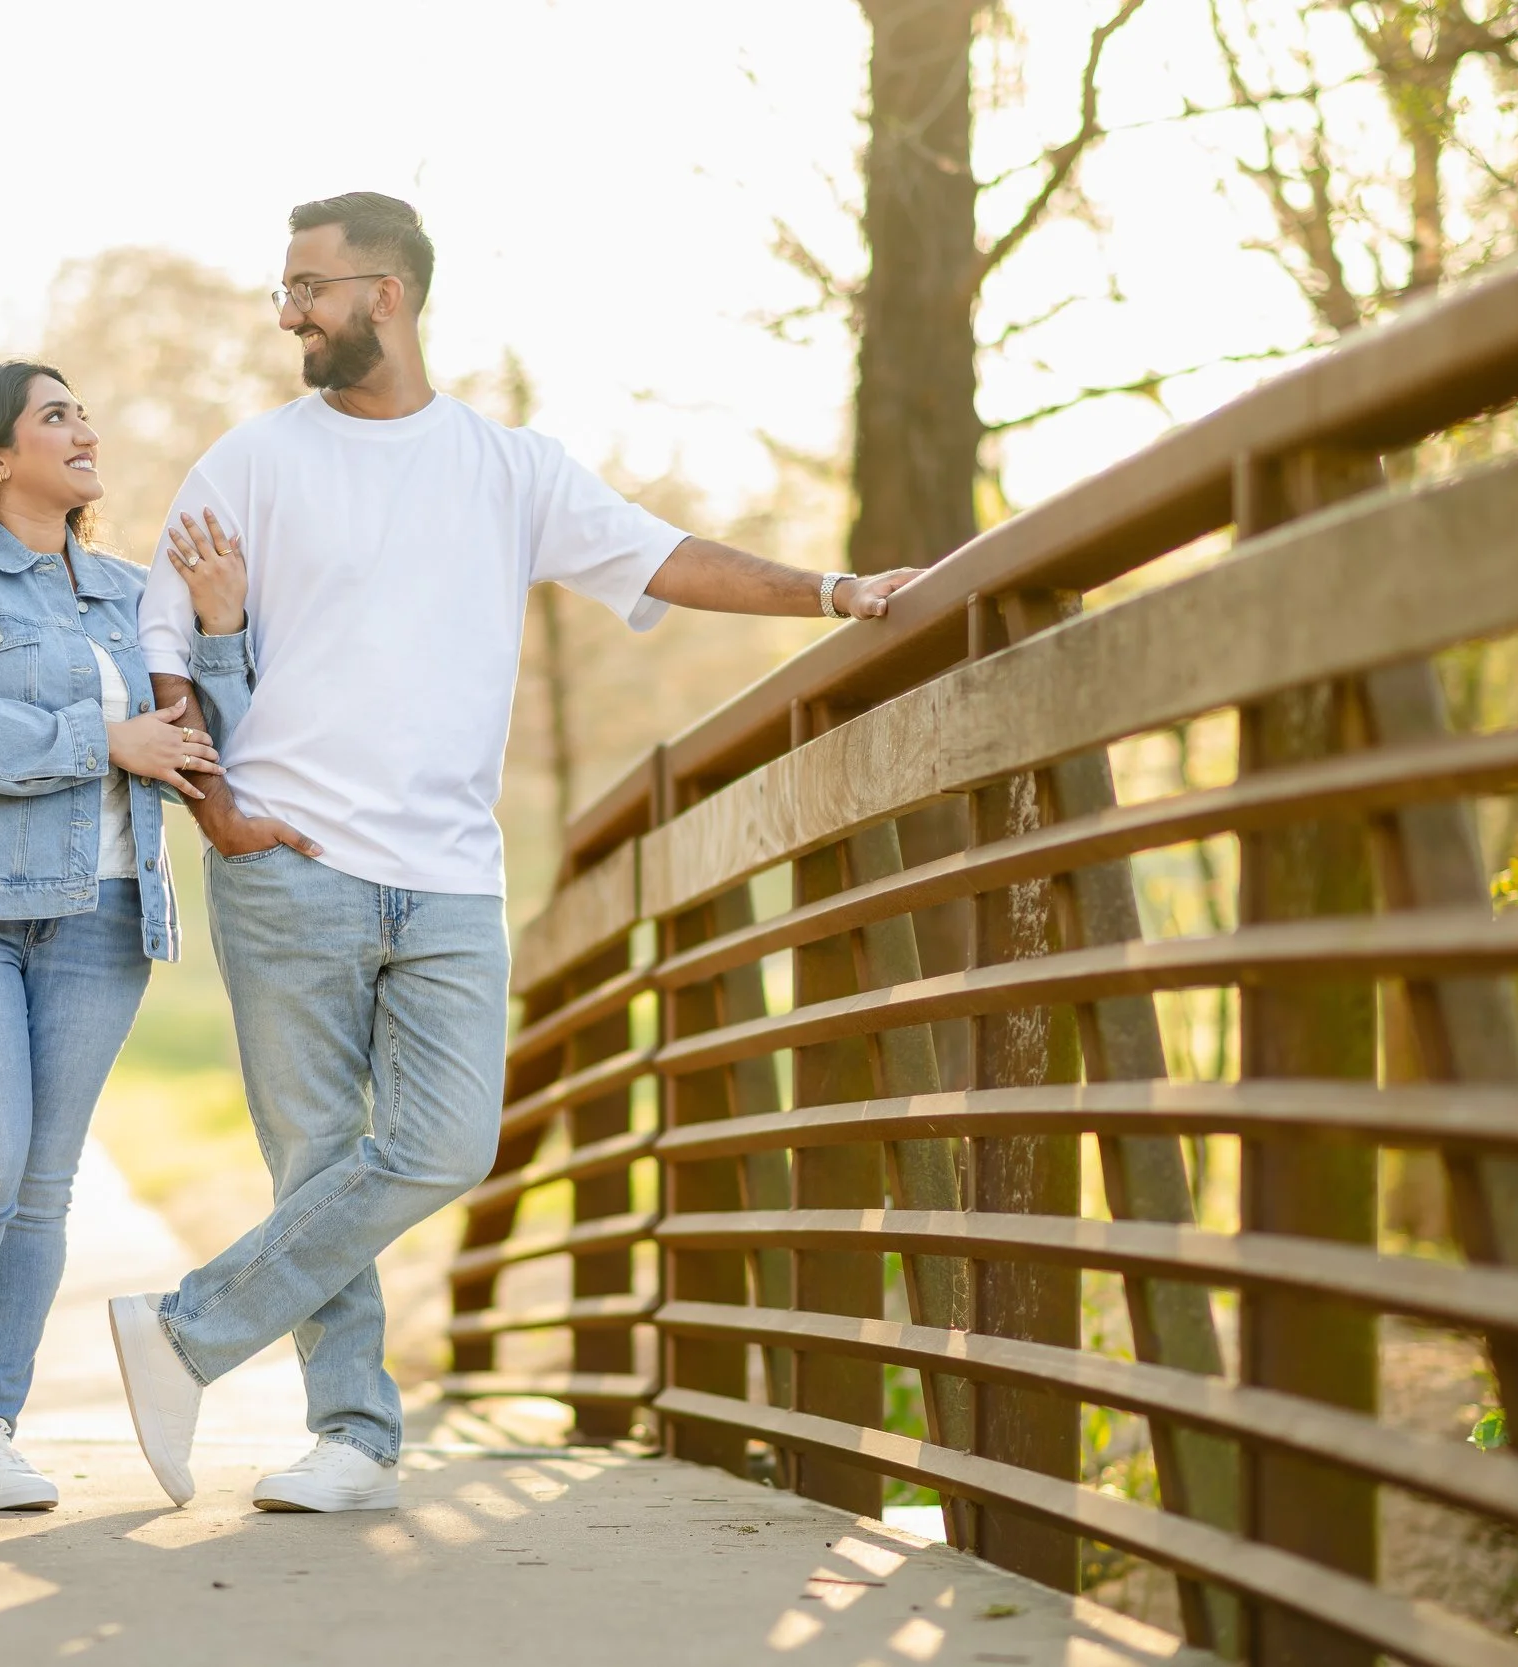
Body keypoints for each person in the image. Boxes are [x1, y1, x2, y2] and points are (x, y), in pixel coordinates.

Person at [106, 192, 921, 1514]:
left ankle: (184, 1332)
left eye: (308, 285)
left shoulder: (510, 468)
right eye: (283, 288)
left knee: (443, 1143)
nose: (288, 311)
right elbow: (162, 653)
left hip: (447, 875)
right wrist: (220, 814)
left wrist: (831, 593)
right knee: (318, 1158)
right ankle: (355, 1433)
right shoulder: (250, 460)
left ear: (389, 294)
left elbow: (671, 555)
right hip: (287, 859)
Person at [0, 360, 238, 1516]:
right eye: (55, 414)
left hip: (104, 909)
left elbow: (202, 740)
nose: (86, 427)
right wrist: (98, 738)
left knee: (43, 1184)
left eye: (84, 410)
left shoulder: (131, 590)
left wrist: (218, 631)